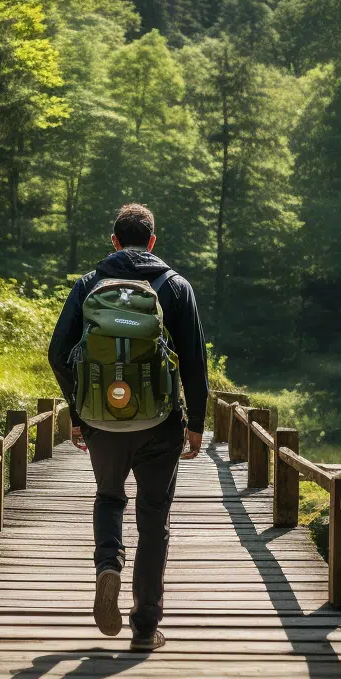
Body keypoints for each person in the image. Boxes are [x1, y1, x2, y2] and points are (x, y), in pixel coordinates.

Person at [48, 203, 209, 652]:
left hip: (101, 419)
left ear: (114, 241)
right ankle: (144, 627)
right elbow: (195, 361)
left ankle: (108, 565)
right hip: (161, 422)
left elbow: (57, 352)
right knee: (154, 517)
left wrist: (79, 411)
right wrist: (195, 423)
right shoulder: (176, 287)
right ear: (152, 242)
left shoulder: (88, 285)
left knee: (109, 497)